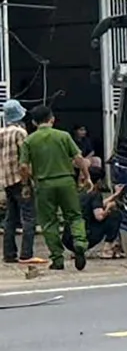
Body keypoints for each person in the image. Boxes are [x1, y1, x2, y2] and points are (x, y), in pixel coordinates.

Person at [19, 105, 89, 271]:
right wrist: (86, 176)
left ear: (34, 122)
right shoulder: (63, 136)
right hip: (66, 181)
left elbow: (23, 166)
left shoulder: (29, 140)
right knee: (75, 216)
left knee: (49, 222)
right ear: (52, 119)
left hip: (43, 185)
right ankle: (79, 242)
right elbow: (79, 158)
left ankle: (57, 259)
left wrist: (26, 185)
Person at [0, 99, 36, 263]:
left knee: (10, 219)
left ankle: (9, 254)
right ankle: (26, 254)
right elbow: (25, 159)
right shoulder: (20, 133)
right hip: (20, 180)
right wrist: (28, 181)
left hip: (6, 181)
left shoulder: (2, 133)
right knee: (28, 218)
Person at [64, 173, 126, 258]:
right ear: (99, 181)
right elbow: (99, 216)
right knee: (115, 215)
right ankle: (106, 250)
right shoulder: (95, 194)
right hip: (86, 236)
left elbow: (97, 205)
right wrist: (109, 207)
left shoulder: (81, 193)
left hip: (69, 239)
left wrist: (115, 195)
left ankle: (76, 251)